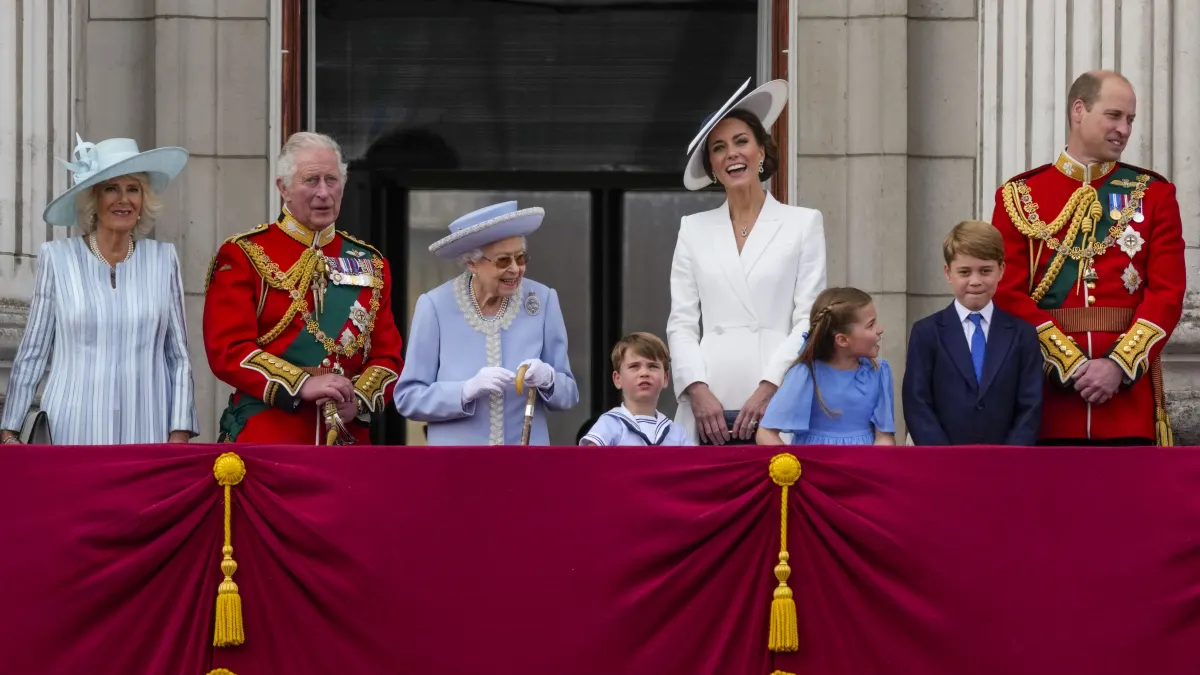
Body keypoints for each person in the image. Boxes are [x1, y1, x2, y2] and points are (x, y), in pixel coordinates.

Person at [991, 70, 1186, 446]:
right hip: (1047, 404)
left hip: (1126, 405)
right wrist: (1069, 363)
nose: (1124, 129)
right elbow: (1006, 293)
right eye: (1114, 116)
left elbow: (1167, 293)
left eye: (1130, 119)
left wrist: (1118, 365)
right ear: (1078, 110)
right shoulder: (1018, 195)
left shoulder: (1154, 195)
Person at [202, 132, 405, 444]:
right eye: (311, 180)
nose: (323, 192)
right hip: (268, 436)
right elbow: (228, 350)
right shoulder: (245, 254)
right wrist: (301, 384)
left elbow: (388, 357)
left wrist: (358, 399)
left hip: (346, 442)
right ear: (283, 188)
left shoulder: (371, 263)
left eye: (331, 180)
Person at [0, 136, 198, 445]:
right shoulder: (58, 258)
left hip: (147, 429)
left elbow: (178, 356)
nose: (124, 199)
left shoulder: (163, 260)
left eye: (133, 189)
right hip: (73, 428)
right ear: (93, 198)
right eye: (111, 189)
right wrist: (10, 430)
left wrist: (179, 430)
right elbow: (33, 351)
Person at [669, 77, 827, 446]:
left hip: (779, 391)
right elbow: (681, 322)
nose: (732, 154)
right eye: (719, 148)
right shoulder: (693, 229)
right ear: (711, 166)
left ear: (761, 152)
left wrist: (771, 386)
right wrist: (696, 388)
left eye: (741, 141)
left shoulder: (803, 222)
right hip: (709, 397)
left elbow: (809, 318)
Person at [393, 201, 579, 445]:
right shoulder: (435, 306)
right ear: (472, 263)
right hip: (458, 464)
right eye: (503, 261)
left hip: (524, 464)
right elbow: (409, 398)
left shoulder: (542, 300)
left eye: (521, 258)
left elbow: (569, 395)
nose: (515, 269)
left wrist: (549, 379)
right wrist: (465, 390)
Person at [902, 221, 1043, 445]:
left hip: (1006, 464)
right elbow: (917, 402)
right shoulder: (926, 332)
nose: (975, 281)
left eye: (985, 271)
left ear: (1001, 270)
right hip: (943, 464)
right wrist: (943, 457)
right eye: (965, 272)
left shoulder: (1022, 334)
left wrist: (1010, 456)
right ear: (948, 273)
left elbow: (1031, 404)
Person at [756, 287, 894, 446]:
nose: (880, 329)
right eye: (870, 325)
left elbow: (884, 437)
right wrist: (791, 466)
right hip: (815, 467)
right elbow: (765, 433)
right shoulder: (805, 374)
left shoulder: (879, 372)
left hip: (861, 466)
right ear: (842, 340)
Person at [579, 332, 691, 447]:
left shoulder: (677, 432)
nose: (644, 373)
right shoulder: (610, 423)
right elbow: (590, 459)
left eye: (653, 366)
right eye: (634, 366)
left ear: (666, 378)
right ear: (618, 379)